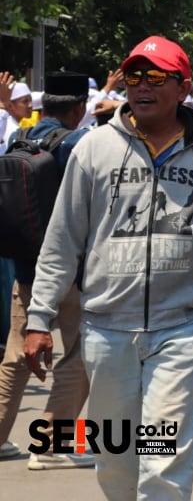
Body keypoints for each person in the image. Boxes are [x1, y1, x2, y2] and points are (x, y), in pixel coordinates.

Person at [23, 36, 193, 500]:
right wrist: (38, 318)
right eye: (134, 76)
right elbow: (62, 239)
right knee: (116, 460)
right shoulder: (94, 148)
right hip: (105, 329)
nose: (142, 85)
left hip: (182, 326)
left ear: (183, 88)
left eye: (157, 77)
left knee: (164, 461)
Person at [0, 72, 92, 469]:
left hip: (25, 268)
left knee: (16, 357)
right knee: (81, 355)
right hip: (68, 272)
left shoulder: (18, 140)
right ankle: (51, 445)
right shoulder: (77, 144)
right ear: (79, 108)